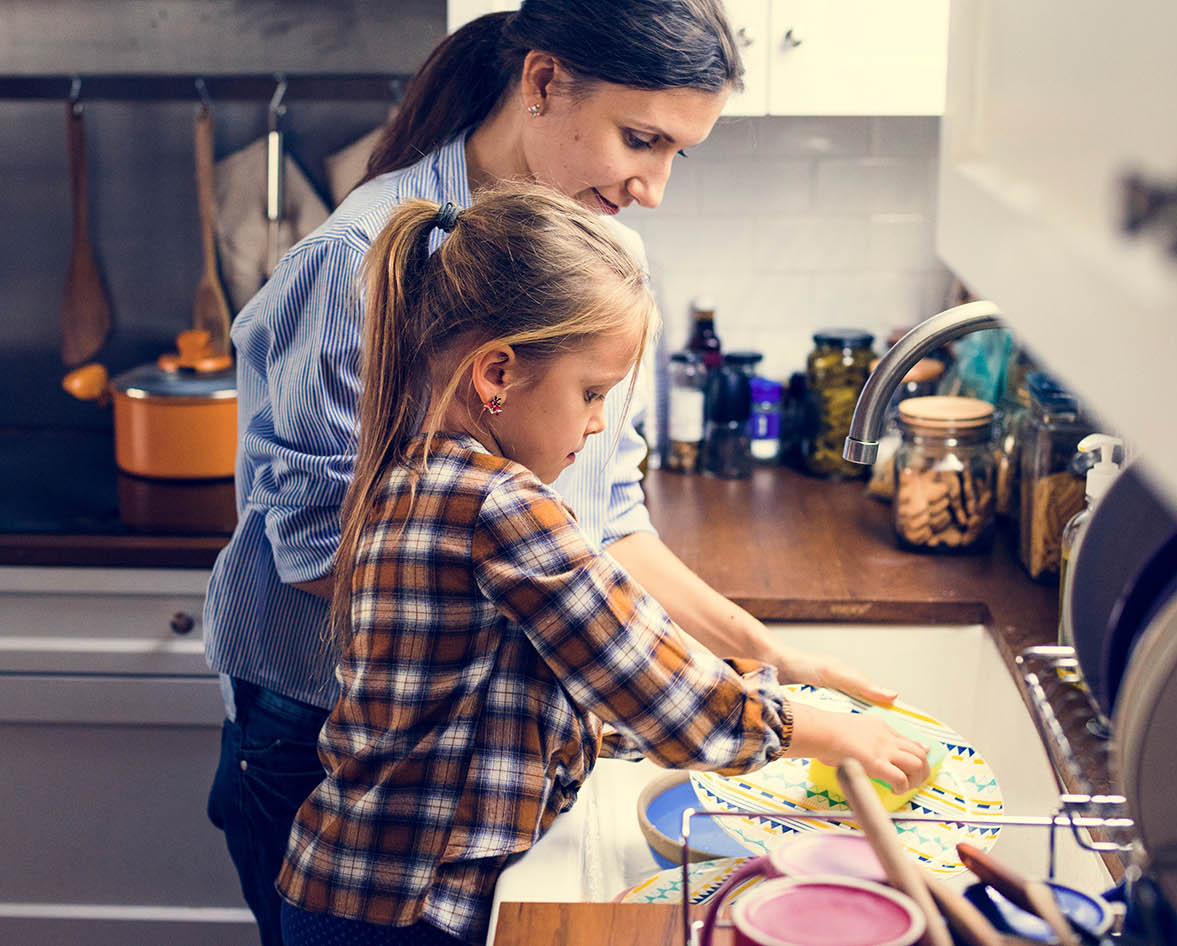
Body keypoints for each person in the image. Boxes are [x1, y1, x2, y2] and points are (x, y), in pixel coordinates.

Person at [204, 3, 899, 943]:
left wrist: (758, 651)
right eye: (639, 139)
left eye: (676, 155)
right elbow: (324, 552)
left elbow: (607, 520)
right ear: (540, 83)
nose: (651, 187)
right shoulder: (354, 261)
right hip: (329, 748)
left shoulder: (601, 259)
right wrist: (619, 667)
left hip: (482, 758)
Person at [273, 186, 931, 945]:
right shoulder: (498, 505)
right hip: (401, 912)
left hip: (356, 890)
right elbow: (655, 687)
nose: (595, 423)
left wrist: (753, 695)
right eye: (591, 393)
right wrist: (827, 733)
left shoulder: (415, 472)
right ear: (496, 376)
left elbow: (533, 705)